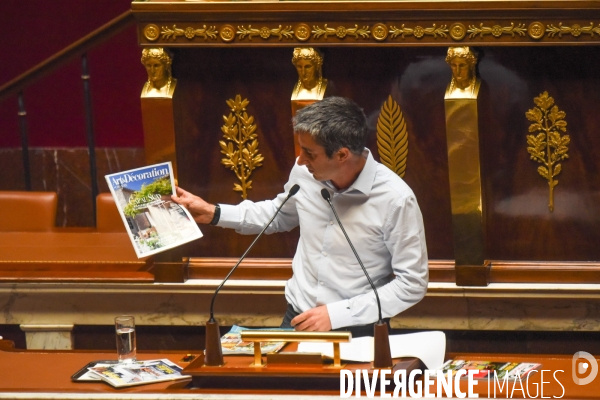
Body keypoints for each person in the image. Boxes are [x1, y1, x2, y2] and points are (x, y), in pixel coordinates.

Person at [172, 97, 428, 337]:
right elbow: (278, 215)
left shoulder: (395, 199)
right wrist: (213, 213)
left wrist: (336, 314)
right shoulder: (306, 174)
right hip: (296, 317)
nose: (301, 160)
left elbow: (411, 283)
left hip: (359, 329)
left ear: (341, 155)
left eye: (310, 153)